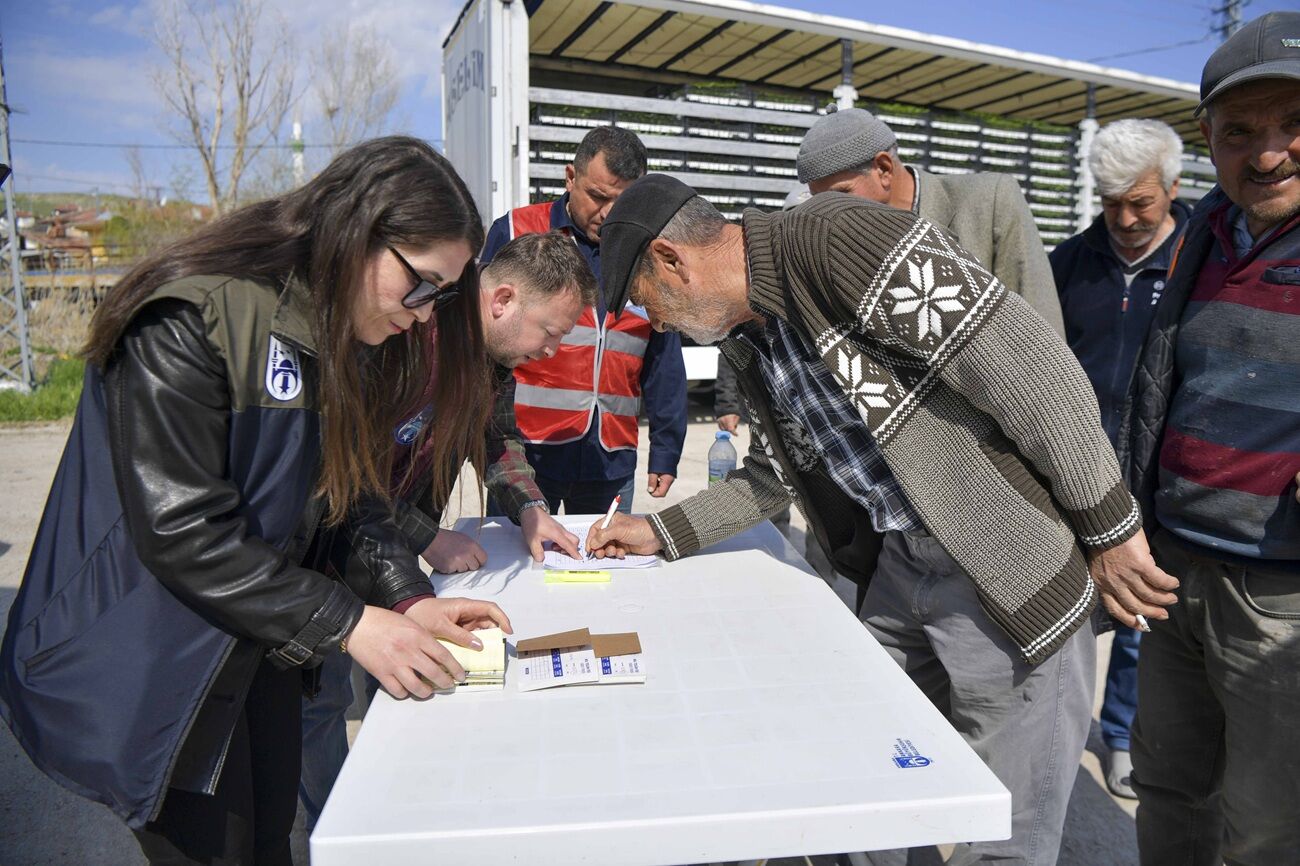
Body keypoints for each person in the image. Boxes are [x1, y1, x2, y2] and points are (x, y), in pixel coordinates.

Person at [586, 174, 1177, 865]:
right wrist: (660, 533)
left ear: (671, 259)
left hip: (1005, 573)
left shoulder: (836, 238)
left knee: (1005, 838)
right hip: (901, 569)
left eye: (644, 300)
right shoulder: (753, 338)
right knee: (866, 798)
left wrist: (1108, 529)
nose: (652, 321)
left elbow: (1033, 371)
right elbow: (772, 478)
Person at [0, 137, 512, 865]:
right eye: (423, 287)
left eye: (443, 297)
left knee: (272, 840)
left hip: (260, 644)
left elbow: (350, 495)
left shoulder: (341, 333)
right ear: (359, 234)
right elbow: (183, 533)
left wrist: (405, 597)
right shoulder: (188, 318)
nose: (429, 316)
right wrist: (347, 622)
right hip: (162, 660)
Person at [298, 230, 597, 829]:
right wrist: (423, 536)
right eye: (552, 332)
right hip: (325, 558)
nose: (552, 350)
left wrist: (530, 508)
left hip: (386, 550)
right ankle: (343, 832)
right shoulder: (405, 336)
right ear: (502, 299)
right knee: (322, 705)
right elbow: (346, 476)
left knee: (397, 688)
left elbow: (499, 437)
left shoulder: (492, 353)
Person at [1123, 13, 1300, 865]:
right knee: (1168, 786)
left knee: (1268, 822)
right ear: (1208, 140)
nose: (1267, 155)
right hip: (1175, 564)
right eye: (1241, 132)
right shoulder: (1205, 233)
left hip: (1281, 591)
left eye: (1295, 126)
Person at [1049, 117, 1190, 800]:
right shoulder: (1069, 263)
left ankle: (1124, 734)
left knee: (1142, 611)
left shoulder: (1202, 260)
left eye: (1142, 202)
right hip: (1078, 472)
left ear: (1173, 187)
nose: (1126, 219)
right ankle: (1055, 725)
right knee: (1065, 602)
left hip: (1162, 471)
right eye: (1110, 204)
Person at [481, 125, 687, 517]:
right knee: (519, 567)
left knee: (606, 572)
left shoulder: (649, 256)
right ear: (570, 177)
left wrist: (666, 447)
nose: (609, 212)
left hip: (610, 458)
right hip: (525, 453)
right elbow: (483, 343)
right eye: (597, 196)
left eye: (623, 201)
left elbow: (663, 357)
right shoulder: (515, 231)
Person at [797, 105, 1064, 334]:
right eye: (818, 201)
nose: (828, 210)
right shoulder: (835, 238)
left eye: (841, 193)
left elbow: (1041, 326)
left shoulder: (991, 201)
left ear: (883, 169)